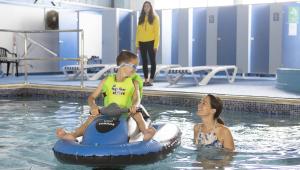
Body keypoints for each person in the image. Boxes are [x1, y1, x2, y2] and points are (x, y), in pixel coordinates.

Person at [56, 51, 156, 141]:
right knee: (91, 118)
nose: (135, 70)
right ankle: (74, 135)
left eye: (136, 67)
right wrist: (93, 106)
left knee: (138, 115)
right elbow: (91, 97)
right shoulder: (106, 81)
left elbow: (136, 97)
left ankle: (146, 132)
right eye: (133, 66)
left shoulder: (134, 82)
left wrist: (135, 105)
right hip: (108, 111)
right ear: (122, 65)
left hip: (127, 112)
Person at [136, 1, 160, 86]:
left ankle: (151, 79)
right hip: (142, 42)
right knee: (144, 62)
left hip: (151, 42)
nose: (146, 8)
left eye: (148, 6)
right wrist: (137, 44)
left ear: (151, 8)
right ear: (143, 8)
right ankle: (146, 79)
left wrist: (156, 45)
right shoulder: (140, 18)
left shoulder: (155, 18)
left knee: (153, 61)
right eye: (145, 6)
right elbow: (138, 32)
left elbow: (157, 33)